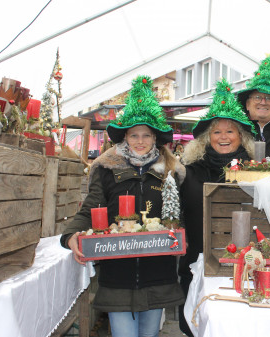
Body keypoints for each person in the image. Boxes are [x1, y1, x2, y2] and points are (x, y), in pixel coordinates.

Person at [60, 75, 185, 337]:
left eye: (146, 135)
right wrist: (71, 234)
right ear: (125, 138)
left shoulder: (171, 172)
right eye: (133, 135)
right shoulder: (106, 168)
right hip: (118, 270)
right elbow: (91, 206)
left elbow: (181, 215)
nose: (140, 141)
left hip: (158, 271)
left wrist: (182, 237)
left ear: (155, 138)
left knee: (150, 332)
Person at [178, 78, 256, 336]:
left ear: (241, 137)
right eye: (217, 132)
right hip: (196, 263)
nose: (223, 137)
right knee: (194, 322)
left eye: (230, 131)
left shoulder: (255, 172)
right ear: (206, 138)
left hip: (244, 266)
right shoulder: (188, 172)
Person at [236, 54, 270, 160]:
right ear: (247, 105)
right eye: (257, 97)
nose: (263, 102)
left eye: (269, 98)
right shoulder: (235, 134)